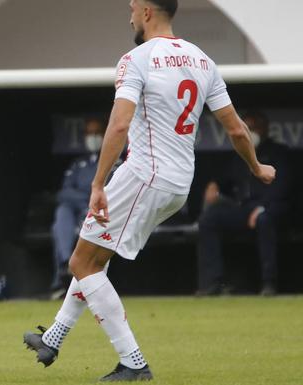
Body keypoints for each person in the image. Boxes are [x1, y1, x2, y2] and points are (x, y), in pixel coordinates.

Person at [23, 0, 276, 381]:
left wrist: (98, 183)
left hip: (143, 175)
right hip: (178, 183)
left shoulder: (135, 59)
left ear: (145, 11)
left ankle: (133, 363)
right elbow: (237, 129)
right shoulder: (203, 60)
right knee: (92, 257)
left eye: (130, 7)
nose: (128, 16)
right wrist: (257, 167)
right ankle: (54, 339)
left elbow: (120, 124)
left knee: (82, 262)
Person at [196, 111, 290, 296]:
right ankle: (212, 283)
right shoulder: (240, 153)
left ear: (264, 129)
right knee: (209, 219)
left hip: (270, 208)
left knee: (264, 219)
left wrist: (263, 207)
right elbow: (227, 179)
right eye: (248, 128)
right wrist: (214, 184)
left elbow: (284, 187)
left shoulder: (279, 152)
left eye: (254, 128)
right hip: (244, 208)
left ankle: (268, 284)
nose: (251, 132)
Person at [50, 118, 105, 296]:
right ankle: (66, 265)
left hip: (99, 214)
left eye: (97, 133)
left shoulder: (112, 161)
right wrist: (88, 199)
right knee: (62, 214)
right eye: (89, 134)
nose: (93, 137)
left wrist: (91, 202)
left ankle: (66, 274)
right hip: (80, 209)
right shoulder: (78, 164)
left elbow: (110, 191)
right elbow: (64, 193)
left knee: (79, 220)